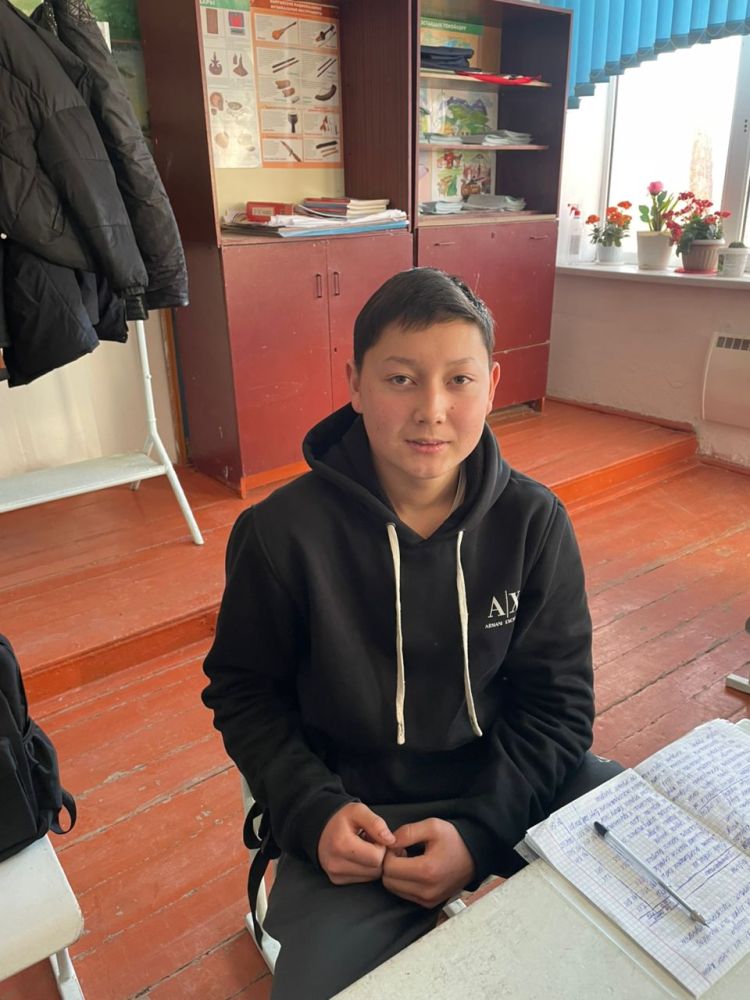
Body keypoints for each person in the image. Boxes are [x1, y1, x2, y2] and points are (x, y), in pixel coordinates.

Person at [202, 267, 621, 999]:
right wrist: (312, 810)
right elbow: (245, 695)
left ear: (491, 384)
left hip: (512, 780)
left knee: (658, 873)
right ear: (355, 384)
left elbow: (559, 704)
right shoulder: (280, 535)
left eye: (459, 381)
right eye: (401, 379)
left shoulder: (533, 522)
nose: (432, 410)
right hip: (360, 816)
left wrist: (482, 832)